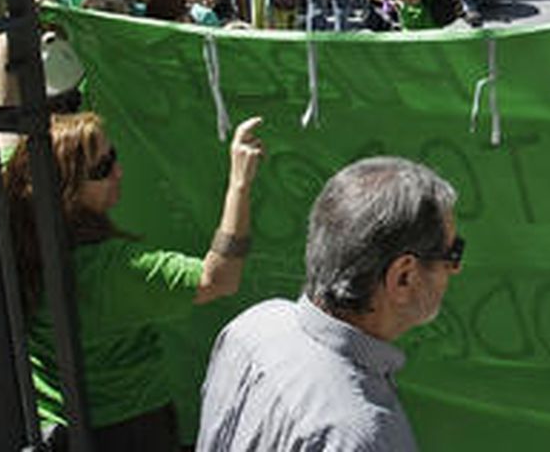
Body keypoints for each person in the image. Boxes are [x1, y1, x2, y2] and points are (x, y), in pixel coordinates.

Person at [6, 112, 265, 448]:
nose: (119, 172)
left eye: (113, 156)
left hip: (58, 427)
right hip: (131, 432)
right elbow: (218, 278)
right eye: (102, 169)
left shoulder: (14, 221)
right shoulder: (107, 273)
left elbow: (3, 130)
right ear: (66, 191)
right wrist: (240, 183)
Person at [197, 157, 461, 451]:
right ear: (403, 277)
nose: (456, 269)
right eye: (453, 254)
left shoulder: (252, 327)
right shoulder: (362, 436)